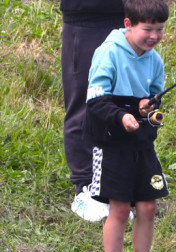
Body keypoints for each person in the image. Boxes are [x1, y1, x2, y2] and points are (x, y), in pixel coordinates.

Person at [84, 0, 169, 252]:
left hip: (141, 144)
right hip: (111, 143)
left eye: (160, 30)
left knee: (148, 206)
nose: (154, 36)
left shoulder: (155, 60)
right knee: (119, 210)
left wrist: (147, 109)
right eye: (148, 29)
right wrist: (123, 115)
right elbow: (95, 101)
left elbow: (153, 100)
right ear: (128, 24)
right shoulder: (108, 52)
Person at [61, 0, 125, 221]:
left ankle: (113, 186)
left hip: (127, 17)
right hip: (86, 18)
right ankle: (85, 186)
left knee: (123, 103)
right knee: (86, 102)